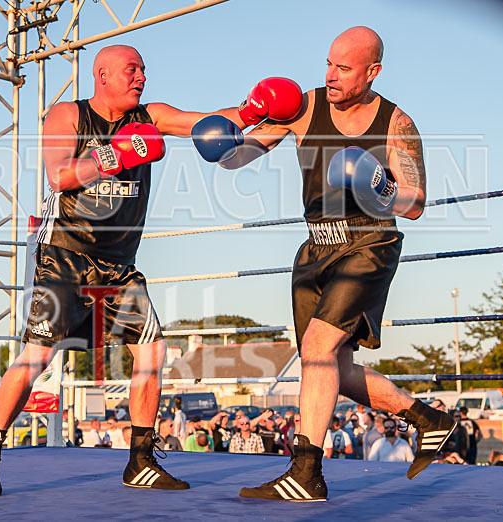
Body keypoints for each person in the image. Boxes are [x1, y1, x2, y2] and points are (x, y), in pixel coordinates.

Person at [0, 44, 244, 497]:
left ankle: (140, 460)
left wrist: (257, 109)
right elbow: (58, 175)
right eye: (132, 70)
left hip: (118, 265)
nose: (141, 77)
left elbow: (203, 121)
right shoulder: (67, 115)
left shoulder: (149, 118)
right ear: (103, 75)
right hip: (65, 253)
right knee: (36, 358)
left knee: (152, 353)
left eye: (143, 69)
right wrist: (116, 155)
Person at [193, 27, 455, 501]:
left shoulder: (397, 122)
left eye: (344, 68)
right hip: (316, 247)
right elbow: (242, 156)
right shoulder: (305, 105)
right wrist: (231, 139)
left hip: (368, 243)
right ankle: (430, 419)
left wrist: (381, 188)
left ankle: (307, 472)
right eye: (329, 64)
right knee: (333, 368)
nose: (331, 76)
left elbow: (416, 201)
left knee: (317, 348)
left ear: (372, 71)